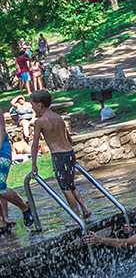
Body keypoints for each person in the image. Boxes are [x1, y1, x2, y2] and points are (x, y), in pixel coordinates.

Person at [29, 90, 91, 220]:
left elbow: (34, 145)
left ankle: (76, 218)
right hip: (69, 152)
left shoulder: (39, 122)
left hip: (58, 156)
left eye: (32, 104)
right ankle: (85, 209)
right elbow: (68, 137)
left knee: (65, 188)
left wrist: (34, 165)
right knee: (71, 184)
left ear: (40, 105)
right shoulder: (58, 117)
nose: (31, 107)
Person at [0, 110, 35, 231]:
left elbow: (1, 130)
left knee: (0, 185)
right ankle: (3, 220)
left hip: (1, 152)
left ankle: (25, 208)